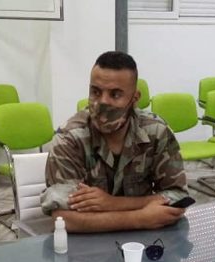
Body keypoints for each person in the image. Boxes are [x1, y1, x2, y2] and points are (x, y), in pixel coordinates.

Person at [41, 51, 189, 233]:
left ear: (134, 99)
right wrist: (140, 218)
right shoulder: (70, 139)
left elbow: (178, 197)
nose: (103, 102)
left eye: (115, 94)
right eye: (96, 92)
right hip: (87, 245)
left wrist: (112, 203)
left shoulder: (156, 132)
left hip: (145, 242)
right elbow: (63, 219)